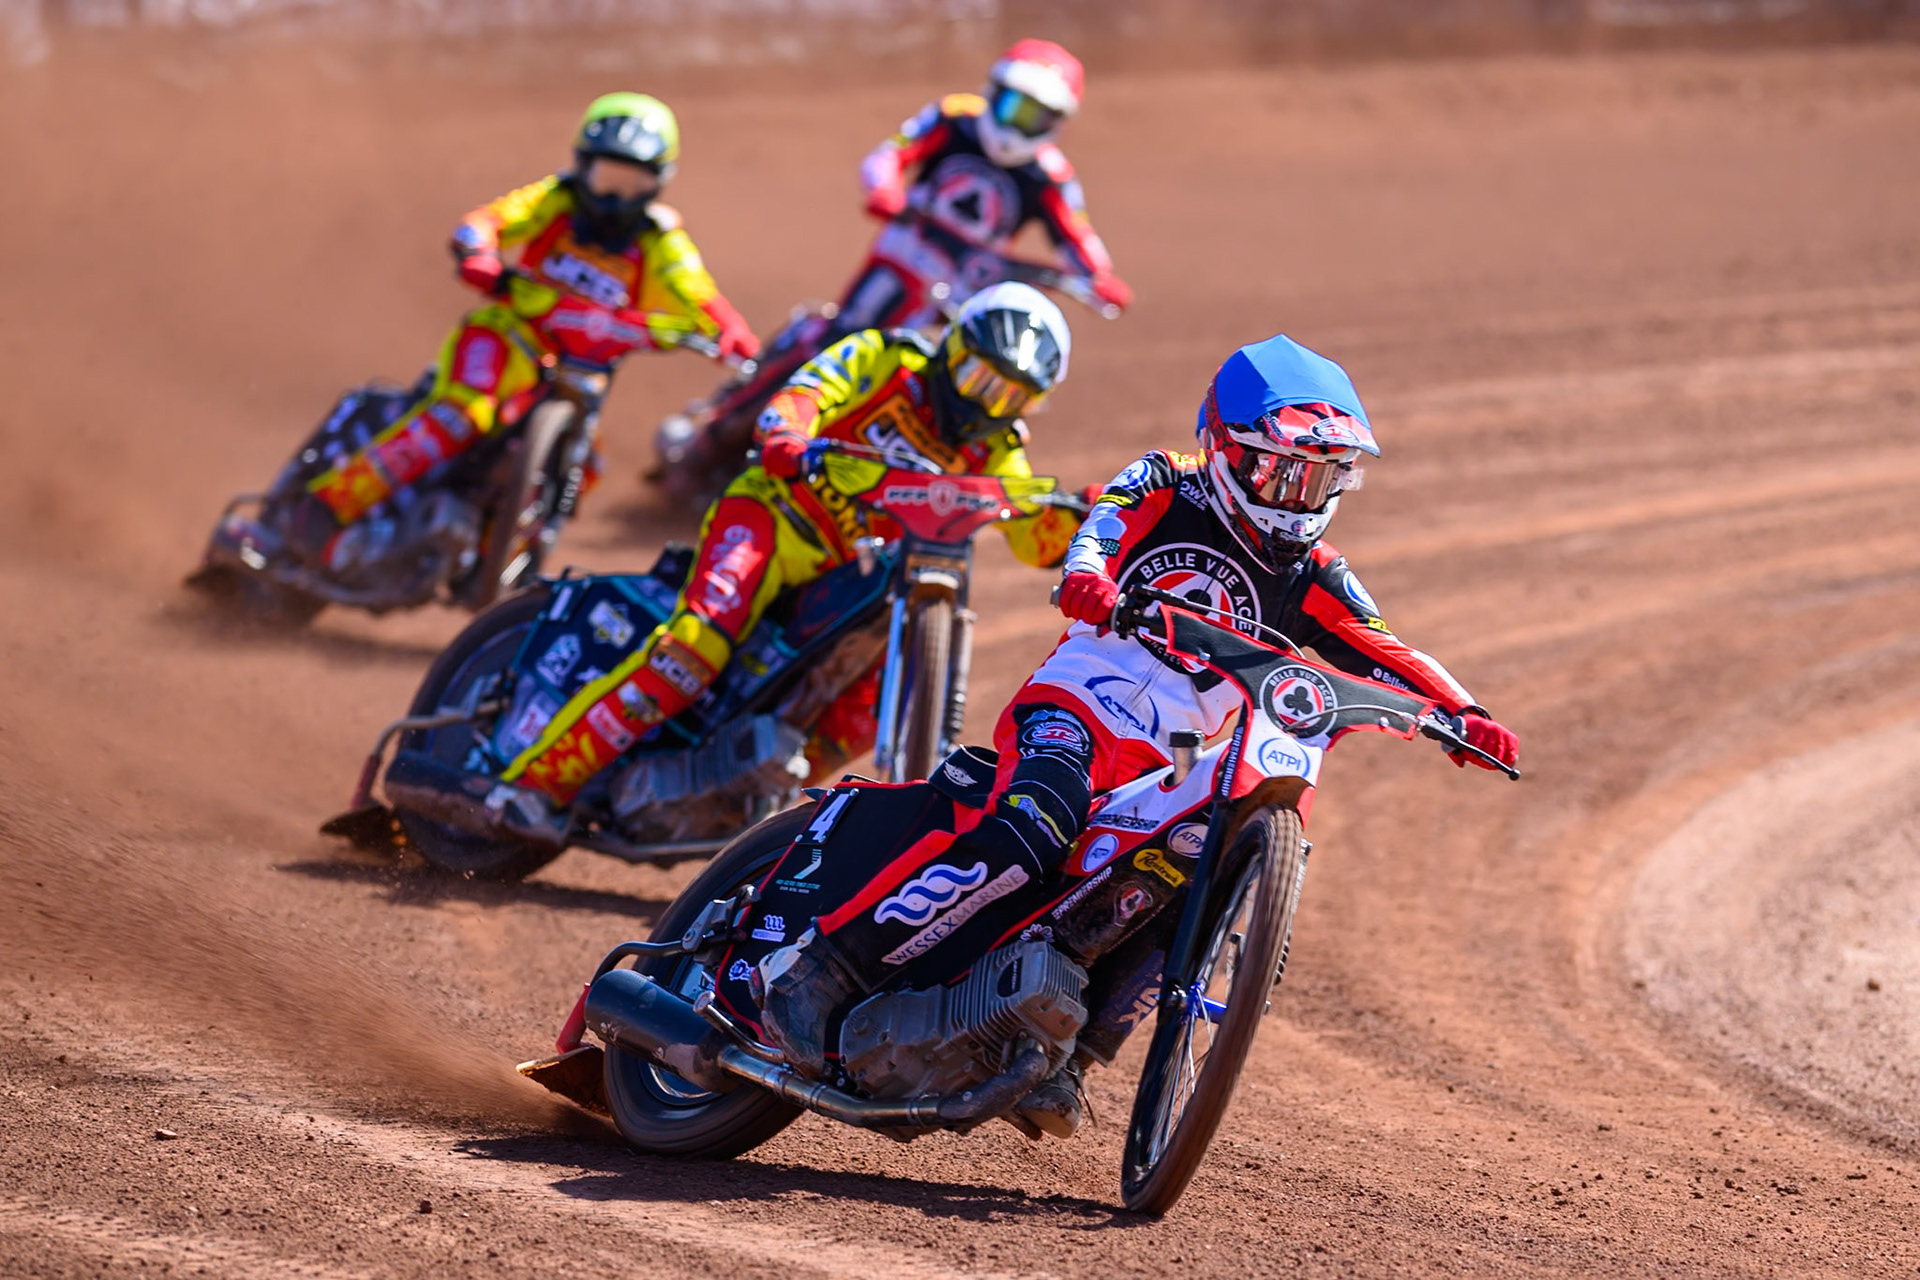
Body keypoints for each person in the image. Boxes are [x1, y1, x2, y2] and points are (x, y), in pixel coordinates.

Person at [757, 334, 1522, 1084]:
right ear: (1229, 450)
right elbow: (1101, 531)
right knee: (1035, 824)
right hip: (1077, 709)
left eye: (1321, 482)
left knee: (1191, 872)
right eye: (1286, 474)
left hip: (1168, 762)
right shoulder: (1168, 483)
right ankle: (819, 971)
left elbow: (1388, 647)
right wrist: (1089, 577)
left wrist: (1463, 713)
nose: (1301, 502)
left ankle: (1072, 1052)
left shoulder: (1315, 574)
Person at [446, 283, 1093, 846]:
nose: (987, 404)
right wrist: (788, 432)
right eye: (980, 378)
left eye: (1010, 396)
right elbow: (813, 388)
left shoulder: (995, 450)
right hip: (772, 520)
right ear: (953, 349)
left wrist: (1089, 522)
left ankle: (740, 806)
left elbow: (1034, 534)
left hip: (851, 580)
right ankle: (522, 786)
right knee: (692, 648)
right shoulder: (889, 358)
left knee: (867, 708)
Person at [294, 93, 759, 569]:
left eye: (631, 181)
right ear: (582, 164)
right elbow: (491, 221)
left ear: (658, 181)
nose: (612, 196)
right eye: (605, 177)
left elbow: (698, 293)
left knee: (587, 467)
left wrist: (734, 335)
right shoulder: (555, 200)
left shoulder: (660, 243)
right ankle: (326, 510)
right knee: (464, 415)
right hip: (508, 336)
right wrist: (478, 251)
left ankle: (491, 549)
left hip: (579, 375)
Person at [840, 38, 1131, 333]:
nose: (1018, 125)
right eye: (1013, 107)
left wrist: (1099, 277)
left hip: (969, 286)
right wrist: (885, 190)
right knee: (854, 326)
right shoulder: (955, 116)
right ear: (993, 92)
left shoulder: (1051, 175)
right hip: (907, 249)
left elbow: (1075, 233)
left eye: (1035, 118)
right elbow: (890, 153)